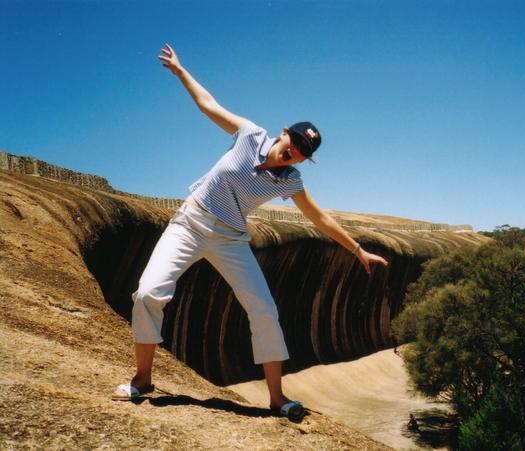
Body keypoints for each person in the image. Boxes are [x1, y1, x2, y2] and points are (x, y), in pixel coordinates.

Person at [112, 44, 389, 421]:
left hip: (230, 238)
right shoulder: (249, 135)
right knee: (148, 292)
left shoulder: (290, 181)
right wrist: (181, 72)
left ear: (306, 158)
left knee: (264, 309)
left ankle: (277, 399)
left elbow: (319, 218)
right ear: (283, 133)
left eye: (304, 151)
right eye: (296, 142)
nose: (295, 151)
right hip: (190, 222)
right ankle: (143, 379)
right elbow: (210, 105)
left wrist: (357, 250)